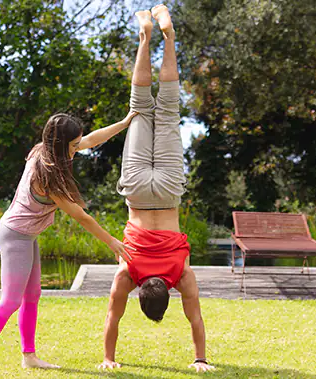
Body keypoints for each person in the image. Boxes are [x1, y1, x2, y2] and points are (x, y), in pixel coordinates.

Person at [0, 111, 137, 379]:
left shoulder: (49, 150)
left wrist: (124, 123)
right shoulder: (47, 174)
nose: (76, 150)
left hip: (27, 235)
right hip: (15, 235)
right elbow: (81, 216)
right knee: (10, 301)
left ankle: (29, 356)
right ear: (59, 145)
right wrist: (112, 242)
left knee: (32, 295)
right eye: (72, 145)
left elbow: (92, 140)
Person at [98, 4, 214, 374]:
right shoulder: (126, 273)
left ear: (168, 294)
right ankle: (145, 37)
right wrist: (107, 360)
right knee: (138, 107)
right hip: (136, 191)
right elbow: (112, 319)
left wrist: (201, 359)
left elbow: (196, 321)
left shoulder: (181, 274)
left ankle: (168, 36)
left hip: (166, 192)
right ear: (140, 294)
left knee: (166, 109)